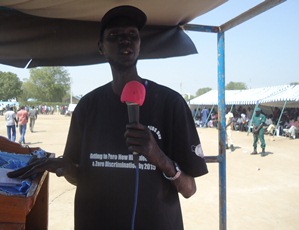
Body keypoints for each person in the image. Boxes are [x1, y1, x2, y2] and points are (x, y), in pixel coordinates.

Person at [8, 5, 208, 230]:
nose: (125, 41)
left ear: (140, 45)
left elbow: (189, 189)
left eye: (132, 35)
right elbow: (79, 176)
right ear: (101, 48)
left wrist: (158, 156)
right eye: (115, 36)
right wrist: (65, 167)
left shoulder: (171, 103)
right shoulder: (87, 106)